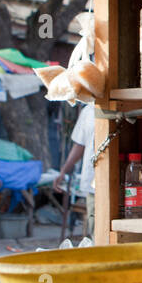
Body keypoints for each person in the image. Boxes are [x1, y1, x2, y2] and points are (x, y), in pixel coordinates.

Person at [54, 102, 95, 240]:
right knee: (96, 229)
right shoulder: (88, 110)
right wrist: (63, 171)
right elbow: (79, 145)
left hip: (119, 182)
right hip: (93, 183)